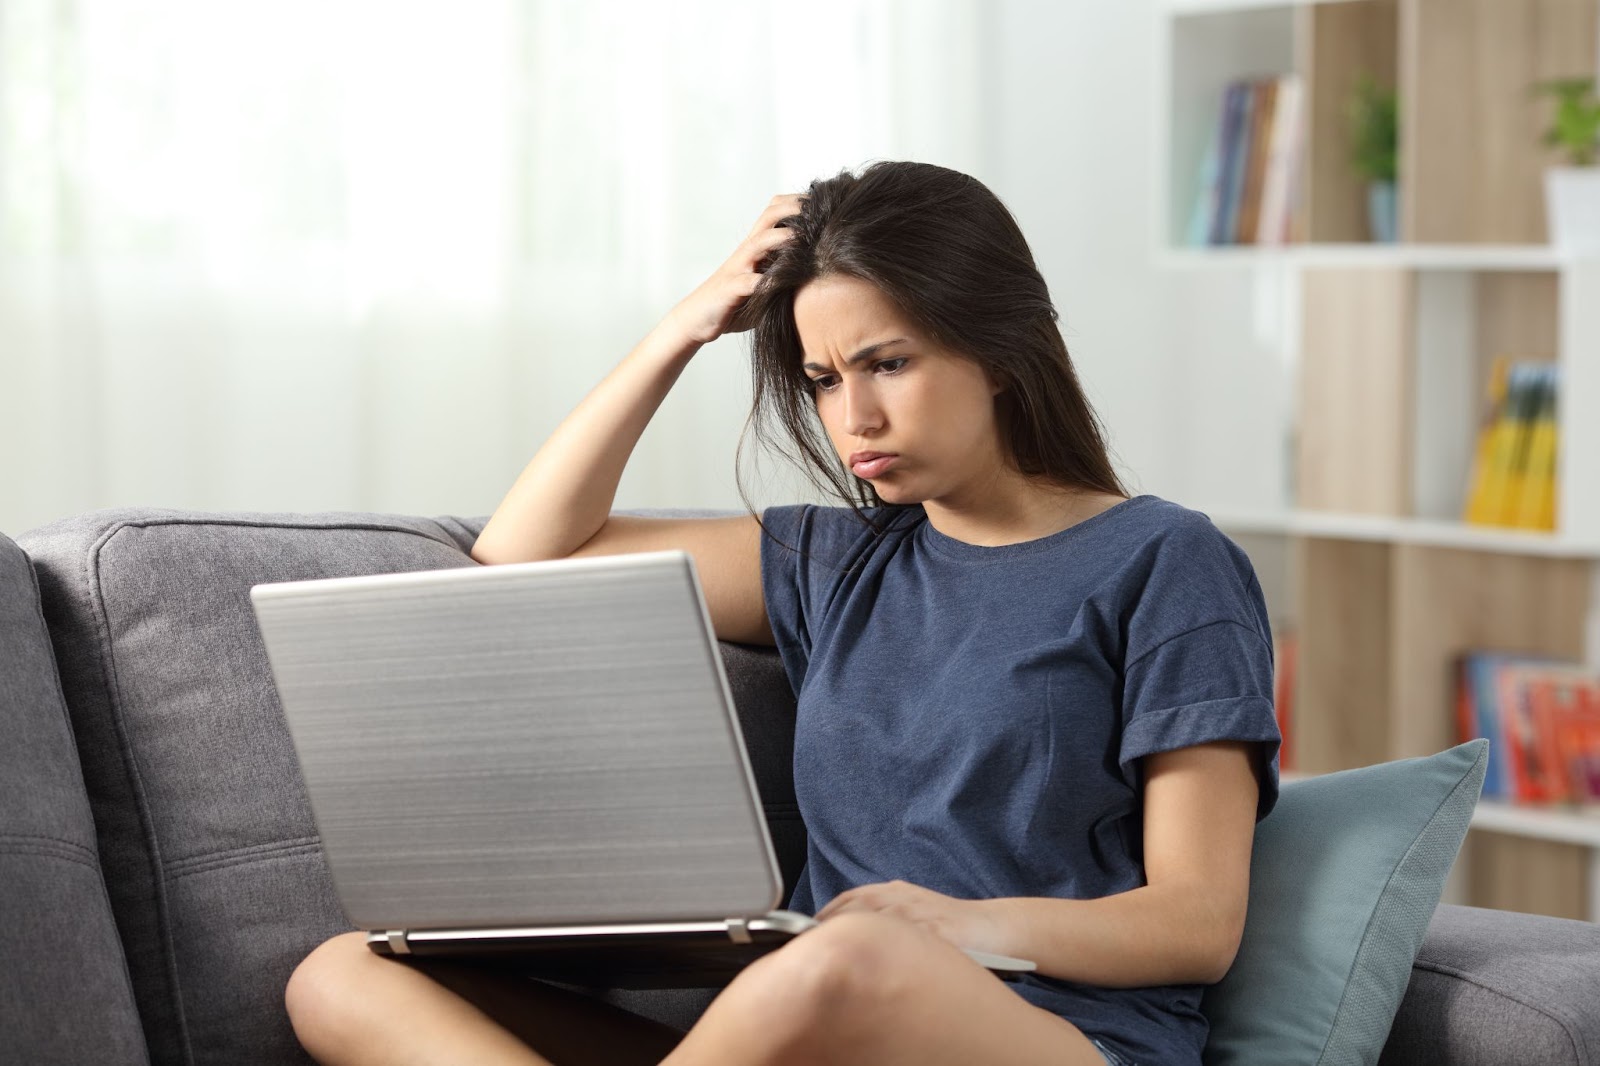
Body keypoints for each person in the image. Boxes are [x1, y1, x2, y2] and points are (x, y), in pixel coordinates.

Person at [282, 160, 1282, 1066]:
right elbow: (515, 557)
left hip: (1061, 1036)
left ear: (1000, 350)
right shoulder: (830, 560)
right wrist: (681, 329)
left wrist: (943, 924)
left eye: (887, 363)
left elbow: (1194, 921)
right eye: (821, 381)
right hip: (802, 1025)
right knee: (342, 975)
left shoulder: (1165, 561)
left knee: (846, 959)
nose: (855, 419)